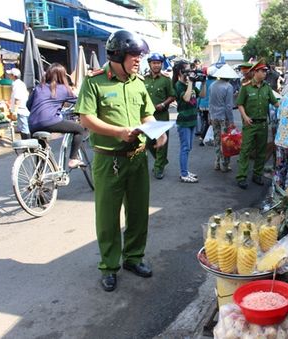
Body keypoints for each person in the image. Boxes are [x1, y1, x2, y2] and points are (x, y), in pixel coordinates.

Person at [75, 30, 167, 292]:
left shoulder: (138, 82)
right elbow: (86, 119)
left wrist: (156, 132)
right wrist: (118, 132)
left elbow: (147, 114)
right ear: (117, 55)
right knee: (108, 217)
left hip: (136, 159)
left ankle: (134, 258)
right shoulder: (95, 82)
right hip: (108, 160)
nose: (139, 60)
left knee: (138, 212)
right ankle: (109, 266)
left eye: (139, 56)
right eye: (134, 55)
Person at [27, 63, 85, 169]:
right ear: (62, 75)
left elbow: (28, 105)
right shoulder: (64, 89)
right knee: (80, 129)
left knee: (41, 150)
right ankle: (73, 159)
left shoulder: (39, 87)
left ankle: (39, 176)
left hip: (32, 123)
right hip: (49, 121)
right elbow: (80, 102)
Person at [235, 59, 279, 189]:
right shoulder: (246, 87)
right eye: (263, 71)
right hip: (250, 123)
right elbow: (240, 104)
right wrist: (245, 116)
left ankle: (257, 174)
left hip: (263, 124)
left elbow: (275, 102)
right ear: (256, 72)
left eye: (266, 71)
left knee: (261, 151)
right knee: (246, 150)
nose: (265, 73)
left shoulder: (267, 88)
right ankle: (241, 176)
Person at [173, 60, 207, 183]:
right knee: (185, 148)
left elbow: (202, 95)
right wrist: (191, 83)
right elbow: (187, 98)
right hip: (184, 122)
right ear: (180, 71)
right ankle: (183, 174)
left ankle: (185, 171)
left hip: (192, 121)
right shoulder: (178, 85)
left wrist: (203, 82)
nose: (190, 72)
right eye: (187, 70)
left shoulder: (189, 84)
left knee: (189, 147)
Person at [144, 53, 176, 179]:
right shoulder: (144, 79)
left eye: (158, 63)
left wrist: (163, 104)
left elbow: (172, 96)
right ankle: (161, 160)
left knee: (161, 143)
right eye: (154, 63)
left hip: (162, 115)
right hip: (147, 117)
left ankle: (158, 168)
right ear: (150, 64)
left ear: (161, 64)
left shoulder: (166, 79)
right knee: (148, 142)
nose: (156, 65)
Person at [208, 64, 239, 172]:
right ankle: (224, 164)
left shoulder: (212, 85)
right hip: (223, 117)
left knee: (217, 140)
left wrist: (209, 116)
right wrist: (231, 121)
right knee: (226, 142)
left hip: (214, 116)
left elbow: (210, 102)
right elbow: (228, 106)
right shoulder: (228, 86)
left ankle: (217, 162)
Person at [6, 68, 30, 139]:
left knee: (24, 128)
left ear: (13, 76)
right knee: (25, 127)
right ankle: (28, 145)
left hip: (21, 110)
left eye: (10, 74)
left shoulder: (16, 85)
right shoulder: (21, 83)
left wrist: (15, 111)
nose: (8, 76)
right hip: (23, 109)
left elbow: (17, 99)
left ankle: (28, 145)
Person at [198, 67, 215, 146]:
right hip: (211, 105)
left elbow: (200, 95)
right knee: (209, 122)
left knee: (205, 121)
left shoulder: (204, 82)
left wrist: (198, 105)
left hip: (202, 105)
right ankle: (203, 137)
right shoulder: (216, 83)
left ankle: (204, 136)